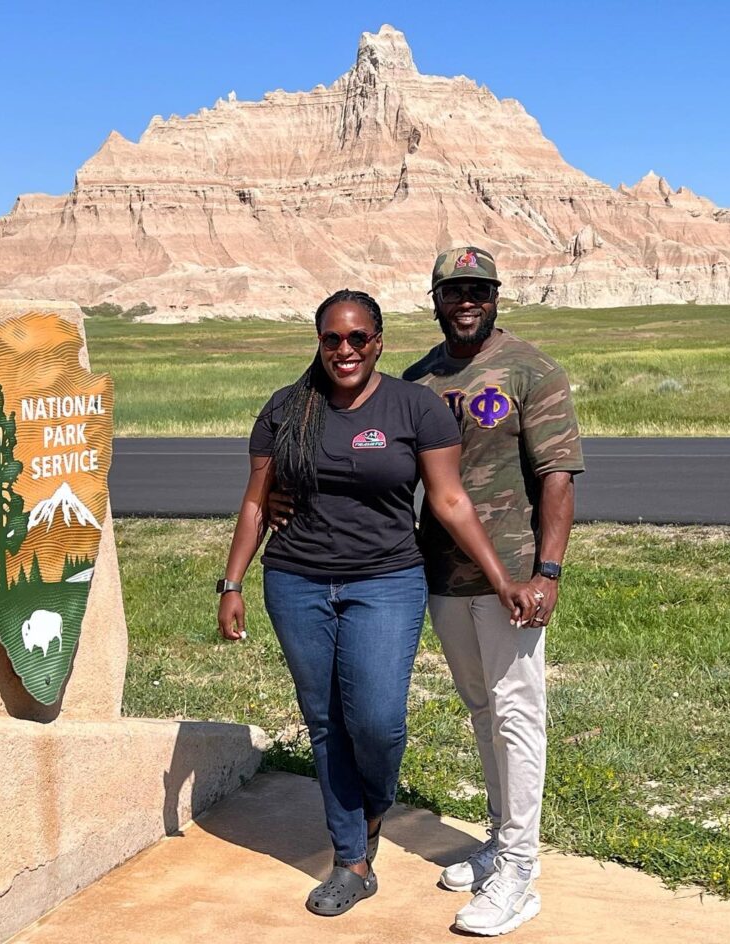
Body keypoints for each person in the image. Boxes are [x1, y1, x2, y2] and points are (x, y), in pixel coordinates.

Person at [216, 288, 541, 918]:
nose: (345, 350)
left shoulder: (414, 406)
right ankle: (352, 858)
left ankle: (372, 807)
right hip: (297, 582)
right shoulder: (287, 408)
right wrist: (232, 583)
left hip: (386, 582)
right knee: (325, 720)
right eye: (332, 339)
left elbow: (449, 500)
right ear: (318, 342)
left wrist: (502, 577)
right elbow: (258, 500)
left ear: (378, 341)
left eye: (357, 338)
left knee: (378, 721)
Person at [403, 246, 584, 936]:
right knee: (482, 710)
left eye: (478, 289)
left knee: (517, 714)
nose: (467, 300)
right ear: (437, 300)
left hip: (511, 577)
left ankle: (520, 873)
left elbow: (559, 478)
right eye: (454, 290)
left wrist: (548, 571)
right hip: (444, 576)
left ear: (497, 296)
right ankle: (497, 844)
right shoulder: (420, 378)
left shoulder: (530, 369)